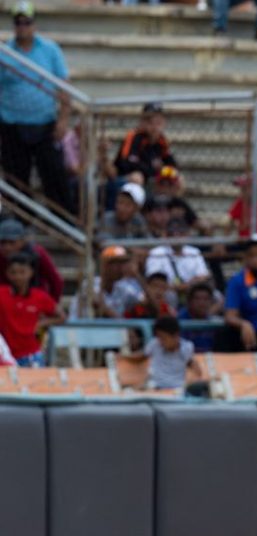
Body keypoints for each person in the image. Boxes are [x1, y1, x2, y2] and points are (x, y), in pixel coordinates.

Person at [0, 2, 73, 213]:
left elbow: (64, 86)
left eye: (26, 22)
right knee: (16, 178)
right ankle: (20, 223)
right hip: (12, 124)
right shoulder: (6, 53)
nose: (22, 26)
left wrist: (63, 119)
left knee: (54, 175)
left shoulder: (50, 50)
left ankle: (63, 220)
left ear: (34, 24)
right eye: (18, 22)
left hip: (44, 123)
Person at [0, 250, 64, 366]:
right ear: (7, 274)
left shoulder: (40, 296)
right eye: (13, 272)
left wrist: (42, 323)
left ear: (31, 272)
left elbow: (61, 316)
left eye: (22, 272)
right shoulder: (2, 293)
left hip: (31, 355)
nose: (18, 276)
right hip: (6, 355)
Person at [120, 315, 205, 392]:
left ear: (175, 336)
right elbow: (140, 357)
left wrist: (191, 382)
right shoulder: (154, 344)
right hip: (155, 387)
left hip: (177, 389)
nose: (161, 341)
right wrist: (123, 357)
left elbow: (196, 369)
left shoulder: (186, 348)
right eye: (159, 337)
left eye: (164, 338)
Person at [70, 244, 144, 319]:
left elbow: (146, 303)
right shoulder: (90, 284)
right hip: (80, 329)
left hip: (111, 329)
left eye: (123, 263)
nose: (121, 267)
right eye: (116, 263)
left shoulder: (122, 288)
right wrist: (125, 325)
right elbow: (101, 307)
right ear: (105, 266)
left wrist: (137, 274)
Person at [112, 102, 177, 183]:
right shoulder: (134, 136)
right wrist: (152, 169)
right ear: (142, 122)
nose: (155, 126)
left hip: (150, 177)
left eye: (158, 122)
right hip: (123, 179)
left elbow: (171, 163)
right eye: (150, 122)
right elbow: (127, 164)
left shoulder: (162, 140)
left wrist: (164, 170)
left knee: (176, 177)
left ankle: (165, 196)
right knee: (137, 177)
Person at [145, 217, 212, 295]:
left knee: (215, 296)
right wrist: (179, 288)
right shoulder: (156, 253)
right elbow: (154, 282)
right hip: (167, 292)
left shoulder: (195, 252)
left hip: (191, 292)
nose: (176, 236)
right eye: (172, 233)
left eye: (181, 233)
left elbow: (203, 276)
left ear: (187, 234)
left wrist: (186, 286)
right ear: (165, 235)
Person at [0, 218, 61, 302]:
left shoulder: (37, 254)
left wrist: (51, 305)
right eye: (3, 242)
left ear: (22, 241)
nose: (7, 247)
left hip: (34, 301)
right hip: (7, 303)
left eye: (11, 242)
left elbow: (55, 280)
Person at [178, 282, 218, 352]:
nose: (202, 303)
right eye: (197, 299)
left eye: (206, 299)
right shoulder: (178, 321)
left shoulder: (215, 323)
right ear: (189, 301)